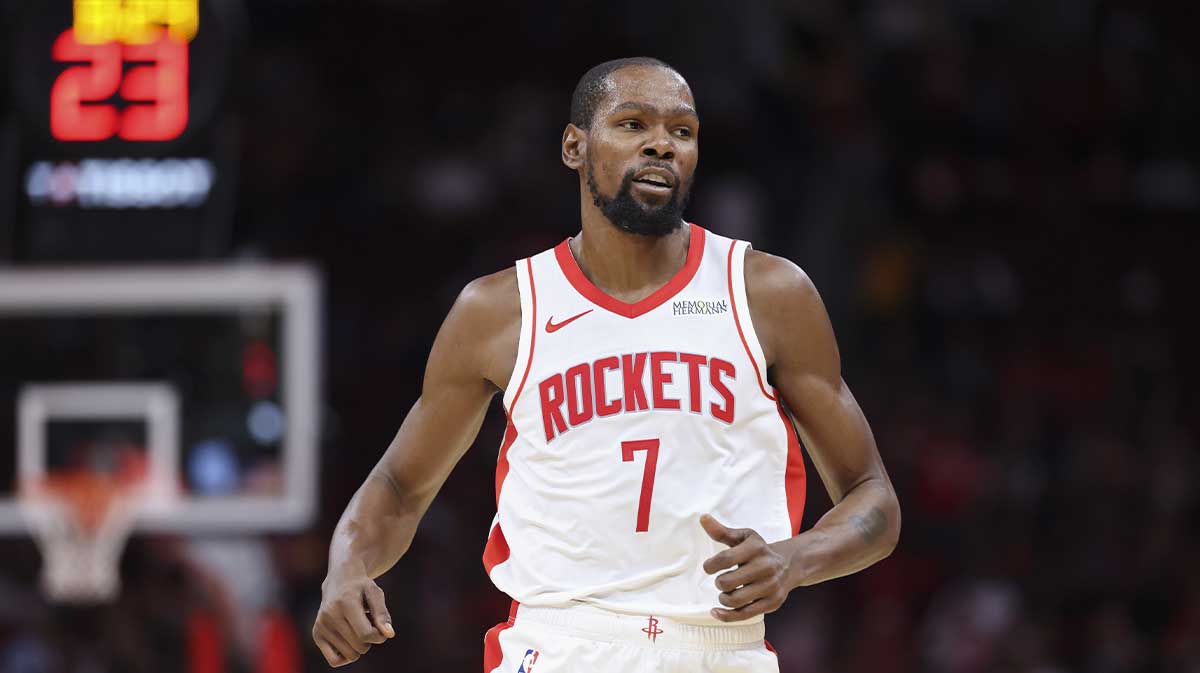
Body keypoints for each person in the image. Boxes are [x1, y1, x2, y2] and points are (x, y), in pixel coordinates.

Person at [312, 57, 901, 672]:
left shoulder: (768, 293)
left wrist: (794, 559)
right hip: (559, 643)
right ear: (574, 146)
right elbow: (400, 485)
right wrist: (346, 568)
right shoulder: (500, 309)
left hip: (719, 647)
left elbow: (874, 500)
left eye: (682, 131)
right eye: (632, 123)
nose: (660, 145)